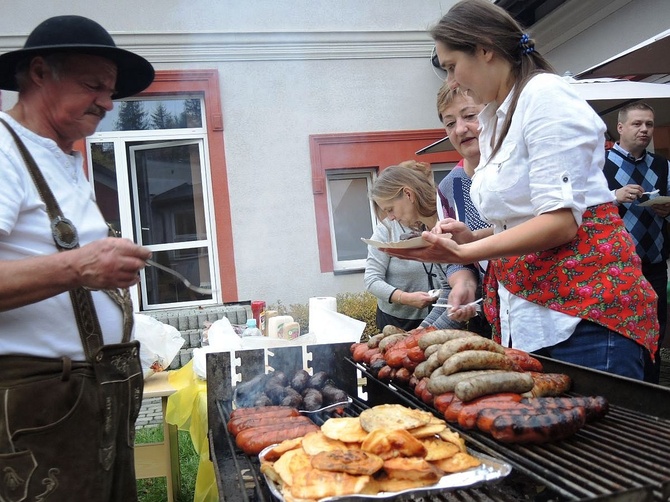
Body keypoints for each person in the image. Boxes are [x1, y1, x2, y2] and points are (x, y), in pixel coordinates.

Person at [384, 0, 658, 380]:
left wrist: (463, 250)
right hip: (531, 318)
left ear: (484, 48)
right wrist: (473, 235)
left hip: (585, 317)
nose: (450, 81)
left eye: (451, 66)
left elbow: (561, 222)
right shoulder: (498, 117)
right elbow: (525, 215)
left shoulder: (544, 96)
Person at [0, 15, 154, 501]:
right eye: (94, 86)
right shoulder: (4, 150)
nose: (108, 103)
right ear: (41, 72)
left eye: (110, 91)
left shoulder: (62, 158)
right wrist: (79, 267)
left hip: (95, 397)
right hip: (42, 408)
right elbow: (75, 268)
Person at [603, 102, 670, 384]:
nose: (644, 130)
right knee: (621, 336)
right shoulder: (599, 163)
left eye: (649, 124)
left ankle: (652, 393)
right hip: (614, 268)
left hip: (654, 266)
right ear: (620, 128)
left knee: (655, 332)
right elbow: (579, 206)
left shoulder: (662, 165)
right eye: (637, 124)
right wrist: (614, 196)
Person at [420, 83, 491, 335]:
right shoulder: (449, 186)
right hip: (493, 315)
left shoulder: (515, 169)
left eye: (470, 116)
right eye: (450, 123)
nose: (460, 129)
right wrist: (463, 284)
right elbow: (459, 259)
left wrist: (472, 241)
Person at [364, 160, 443, 331]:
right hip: (396, 320)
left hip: (440, 314)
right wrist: (404, 298)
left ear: (410, 195)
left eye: (390, 209)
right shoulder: (385, 230)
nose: (390, 217)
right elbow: (371, 279)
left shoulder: (440, 222)